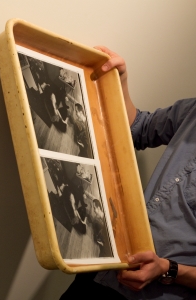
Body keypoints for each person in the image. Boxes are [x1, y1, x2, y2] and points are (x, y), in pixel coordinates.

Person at [59, 46, 196, 299]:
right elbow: (138, 128)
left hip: (156, 293)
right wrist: (120, 80)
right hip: (106, 269)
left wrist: (169, 269)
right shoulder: (192, 111)